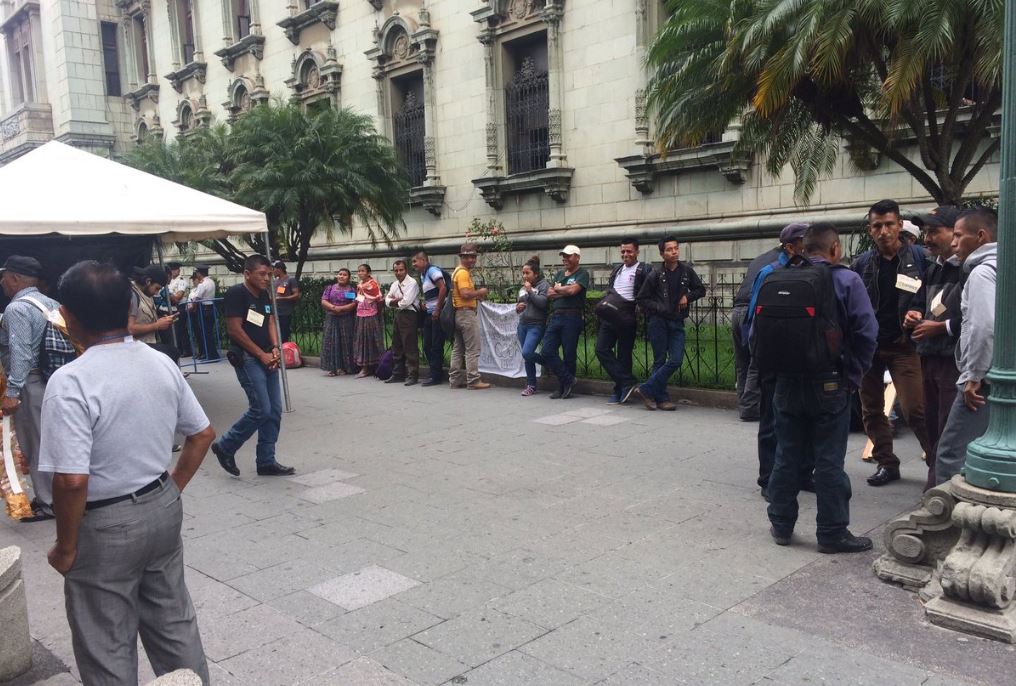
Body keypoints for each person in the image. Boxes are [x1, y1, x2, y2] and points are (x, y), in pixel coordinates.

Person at [37, 260, 215, 684]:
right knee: (174, 622)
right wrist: (172, 487)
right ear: (128, 311)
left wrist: (65, 545)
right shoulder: (159, 363)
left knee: (106, 639)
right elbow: (202, 433)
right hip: (161, 505)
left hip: (104, 523)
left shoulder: (71, 380)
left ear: (67, 315)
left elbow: (71, 480)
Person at [760, 224, 879, 553]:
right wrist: (853, 377)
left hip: (786, 383)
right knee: (828, 460)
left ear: (802, 248)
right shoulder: (847, 280)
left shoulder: (780, 276)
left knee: (786, 454)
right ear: (835, 249)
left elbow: (753, 331)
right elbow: (868, 333)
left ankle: (781, 524)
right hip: (829, 383)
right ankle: (832, 532)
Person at [851, 199, 933, 486]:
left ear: (899, 225)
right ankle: (887, 462)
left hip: (904, 345)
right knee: (871, 409)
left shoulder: (921, 258)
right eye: (877, 226)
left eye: (889, 224)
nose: (883, 231)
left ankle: (937, 463)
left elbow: (935, 295)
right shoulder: (862, 264)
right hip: (870, 346)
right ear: (870, 230)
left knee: (915, 410)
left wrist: (921, 312)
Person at [742, 223, 811, 499]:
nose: (808, 246)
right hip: (772, 357)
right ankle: (767, 478)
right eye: (804, 242)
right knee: (771, 419)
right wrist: (758, 355)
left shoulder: (811, 272)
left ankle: (803, 472)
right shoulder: (769, 273)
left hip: (804, 357)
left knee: (804, 418)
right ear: (790, 246)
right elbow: (752, 317)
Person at [212, 254, 294, 477]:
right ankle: (225, 446)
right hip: (249, 359)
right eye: (262, 274)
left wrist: (275, 347)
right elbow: (234, 330)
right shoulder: (237, 293)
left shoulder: (264, 294)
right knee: (261, 409)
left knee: (274, 410)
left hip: (267, 356)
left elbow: (269, 321)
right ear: (247, 274)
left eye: (269, 274)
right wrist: (260, 354)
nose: (267, 278)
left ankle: (266, 461)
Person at [935, 208, 998, 485]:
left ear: (981, 236)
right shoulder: (1002, 267)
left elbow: (984, 327)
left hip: (982, 380)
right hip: (999, 375)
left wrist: (974, 376)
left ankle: (950, 522)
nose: (953, 242)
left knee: (950, 453)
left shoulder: (982, 273)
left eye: (959, 236)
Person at [903, 206, 964, 489]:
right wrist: (913, 316)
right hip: (928, 356)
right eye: (925, 232)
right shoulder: (932, 268)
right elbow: (919, 303)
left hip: (953, 360)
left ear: (955, 233)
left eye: (934, 231)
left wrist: (941, 327)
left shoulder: (969, 268)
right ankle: (936, 482)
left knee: (947, 427)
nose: (927, 238)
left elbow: (980, 318)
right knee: (930, 423)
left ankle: (938, 489)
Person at [0, 255, 59, 521]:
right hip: (53, 381)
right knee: (53, 440)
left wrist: (12, 392)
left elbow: (21, 353)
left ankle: (48, 502)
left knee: (35, 444)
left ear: (14, 278)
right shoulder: (51, 303)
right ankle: (58, 495)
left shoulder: (17, 309)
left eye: (5, 276)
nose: (2, 282)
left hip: (30, 384)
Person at [633, 237, 706, 410]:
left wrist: (686, 297)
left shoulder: (687, 271)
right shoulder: (655, 274)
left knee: (676, 359)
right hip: (658, 321)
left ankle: (646, 389)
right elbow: (642, 298)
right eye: (669, 249)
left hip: (677, 321)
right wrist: (659, 307)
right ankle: (662, 399)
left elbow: (700, 290)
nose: (674, 252)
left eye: (676, 248)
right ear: (662, 254)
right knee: (659, 360)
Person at [731, 235, 791, 421]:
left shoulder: (760, 257)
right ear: (789, 246)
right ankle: (749, 408)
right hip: (753, 311)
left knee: (742, 361)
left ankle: (743, 403)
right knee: (756, 361)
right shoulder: (783, 262)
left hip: (737, 311)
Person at [595, 239, 650, 405]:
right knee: (601, 349)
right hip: (611, 315)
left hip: (627, 316)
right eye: (623, 252)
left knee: (624, 355)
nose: (626, 255)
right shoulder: (617, 269)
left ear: (637, 252)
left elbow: (649, 290)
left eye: (629, 251)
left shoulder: (644, 269)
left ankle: (619, 390)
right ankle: (627, 381)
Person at [537, 245, 590, 399]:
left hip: (572, 316)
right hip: (556, 316)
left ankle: (563, 387)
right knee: (547, 350)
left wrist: (561, 289)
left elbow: (573, 291)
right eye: (563, 256)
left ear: (577, 257)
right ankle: (568, 380)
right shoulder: (560, 273)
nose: (565, 259)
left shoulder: (582, 273)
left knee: (569, 354)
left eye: (568, 256)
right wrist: (564, 290)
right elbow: (549, 293)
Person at [449, 243, 491, 390]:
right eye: (469, 257)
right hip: (466, 314)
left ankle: (454, 379)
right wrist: (480, 292)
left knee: (458, 348)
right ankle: (473, 380)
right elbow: (465, 293)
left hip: (459, 313)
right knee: (472, 349)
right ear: (462, 257)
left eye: (473, 257)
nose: (472, 260)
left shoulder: (457, 271)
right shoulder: (463, 273)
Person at [516, 257, 550, 396]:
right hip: (523, 324)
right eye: (523, 273)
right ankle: (531, 385)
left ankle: (548, 363)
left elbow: (543, 304)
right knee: (527, 356)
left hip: (536, 325)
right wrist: (518, 307)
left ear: (535, 274)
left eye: (527, 273)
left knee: (527, 352)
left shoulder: (543, 285)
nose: (524, 276)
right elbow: (519, 304)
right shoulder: (524, 287)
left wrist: (530, 291)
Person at [413, 251, 448, 387]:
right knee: (427, 344)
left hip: (437, 313)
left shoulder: (432, 270)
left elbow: (443, 288)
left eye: (415, 261)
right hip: (429, 312)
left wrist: (438, 309)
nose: (414, 264)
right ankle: (433, 371)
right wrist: (425, 303)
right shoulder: (423, 275)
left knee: (435, 345)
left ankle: (436, 375)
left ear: (424, 260)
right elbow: (431, 293)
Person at [384, 259, 421, 386]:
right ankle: (398, 373)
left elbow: (406, 302)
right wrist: (395, 301)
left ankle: (413, 374)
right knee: (397, 344)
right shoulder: (395, 284)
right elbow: (387, 301)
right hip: (399, 314)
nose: (399, 273)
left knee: (410, 345)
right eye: (396, 270)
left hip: (410, 315)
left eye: (401, 270)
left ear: (406, 270)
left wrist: (394, 301)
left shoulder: (412, 283)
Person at [128, 265, 178, 358]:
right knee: (171, 354)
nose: (156, 293)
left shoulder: (146, 294)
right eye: (157, 288)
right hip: (136, 349)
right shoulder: (132, 295)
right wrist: (157, 325)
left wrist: (162, 321)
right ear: (148, 281)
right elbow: (129, 329)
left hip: (146, 346)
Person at [320, 268, 358, 376]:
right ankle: (332, 368)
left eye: (344, 275)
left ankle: (345, 367)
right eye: (340, 274)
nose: (341, 276)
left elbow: (354, 303)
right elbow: (324, 300)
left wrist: (342, 309)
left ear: (348, 277)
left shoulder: (351, 290)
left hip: (346, 319)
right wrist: (333, 307)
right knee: (331, 342)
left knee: (345, 343)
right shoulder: (330, 288)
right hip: (331, 318)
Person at [353, 264, 384, 378]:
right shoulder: (360, 285)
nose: (360, 273)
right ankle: (364, 366)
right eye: (359, 271)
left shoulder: (373, 285)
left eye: (362, 271)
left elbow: (378, 299)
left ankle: (377, 365)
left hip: (371, 315)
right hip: (361, 314)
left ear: (368, 273)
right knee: (362, 340)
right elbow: (359, 298)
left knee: (372, 340)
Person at [187, 266, 218, 360]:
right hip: (211, 307)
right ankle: (211, 353)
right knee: (208, 332)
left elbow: (197, 298)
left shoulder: (202, 284)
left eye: (197, 273)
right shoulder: (211, 282)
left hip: (203, 308)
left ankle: (210, 354)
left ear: (199, 273)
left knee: (205, 333)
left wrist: (191, 307)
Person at [272, 261, 301, 343]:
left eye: (274, 269)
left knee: (284, 334)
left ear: (279, 269)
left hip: (285, 312)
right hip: (275, 312)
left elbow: (296, 295)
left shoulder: (290, 280)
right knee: (275, 334)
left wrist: (283, 298)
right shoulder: (275, 281)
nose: (272, 271)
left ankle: (285, 351)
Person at [167, 262, 191, 357]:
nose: (173, 271)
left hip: (180, 307)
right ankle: (179, 349)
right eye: (171, 270)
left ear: (179, 270)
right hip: (172, 307)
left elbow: (178, 297)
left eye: (175, 269)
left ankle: (186, 350)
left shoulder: (181, 281)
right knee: (175, 330)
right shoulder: (171, 281)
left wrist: (169, 295)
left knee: (181, 329)